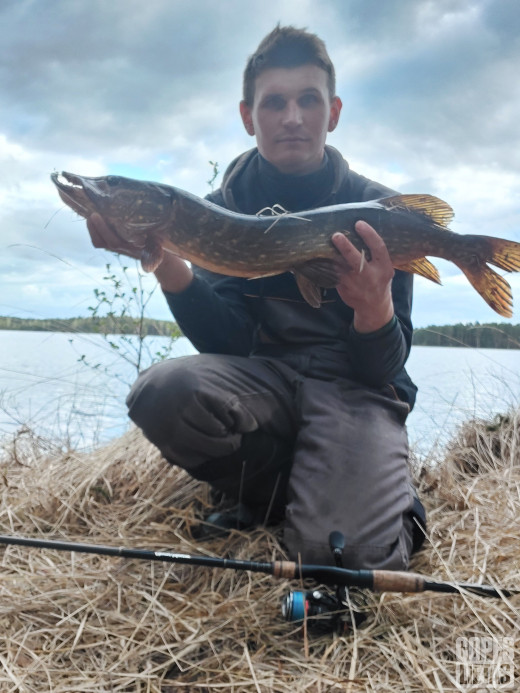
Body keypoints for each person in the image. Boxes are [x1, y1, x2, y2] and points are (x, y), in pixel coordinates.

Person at [87, 25, 425, 569]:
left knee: (341, 555)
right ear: (249, 116)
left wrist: (373, 308)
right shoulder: (215, 211)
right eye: (274, 103)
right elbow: (230, 342)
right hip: (266, 384)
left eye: (308, 100)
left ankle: (376, 496)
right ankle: (274, 492)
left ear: (333, 112)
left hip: (355, 389)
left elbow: (384, 369)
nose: (292, 117)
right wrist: (164, 260)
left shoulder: (379, 211)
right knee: (163, 391)